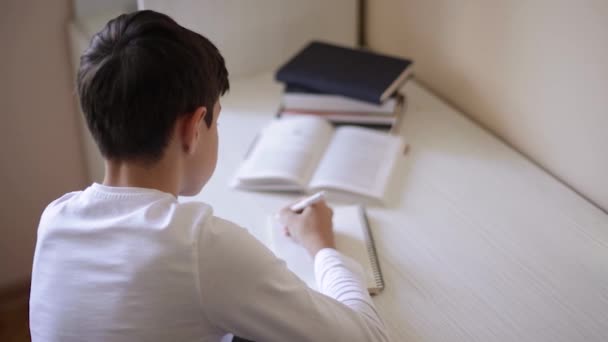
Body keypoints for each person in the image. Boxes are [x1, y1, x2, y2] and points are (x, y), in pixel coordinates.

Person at [29, 10, 389, 342]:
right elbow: (368, 338)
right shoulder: (198, 247)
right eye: (215, 120)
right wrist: (322, 247)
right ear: (192, 129)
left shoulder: (54, 220)